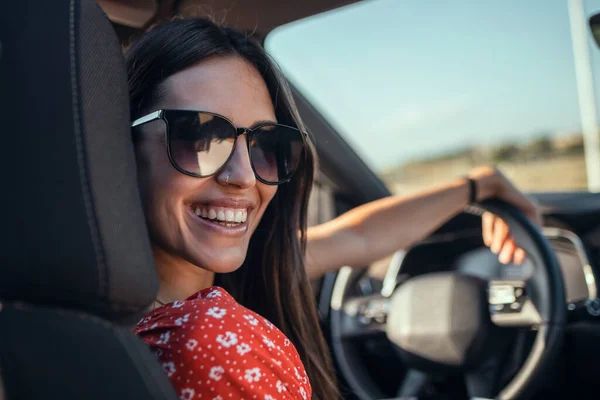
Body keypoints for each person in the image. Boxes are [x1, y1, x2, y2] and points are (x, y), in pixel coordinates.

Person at [126, 18, 539, 400]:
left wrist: (479, 186)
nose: (245, 176)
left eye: (266, 145)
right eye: (199, 138)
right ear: (118, 144)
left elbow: (358, 236)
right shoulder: (213, 343)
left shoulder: (108, 300)